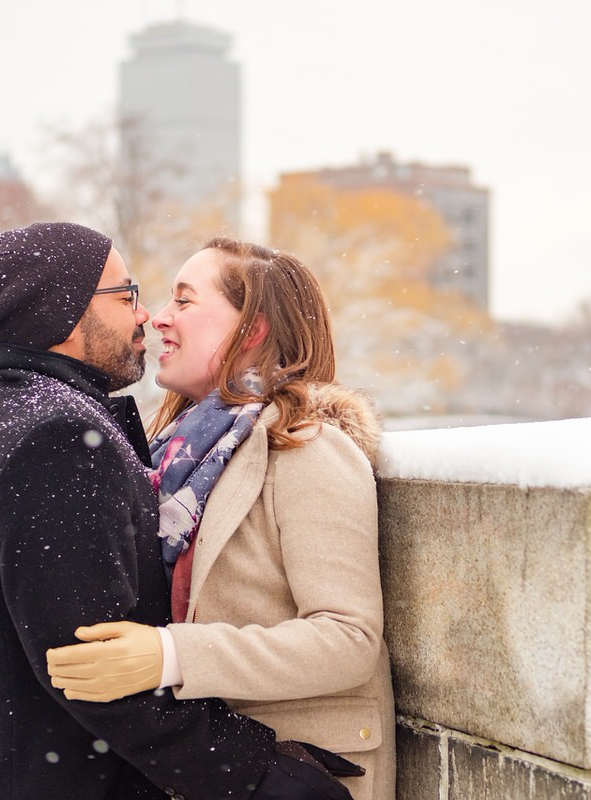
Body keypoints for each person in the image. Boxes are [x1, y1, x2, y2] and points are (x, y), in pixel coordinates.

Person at [0, 223, 352, 800]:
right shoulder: (61, 436)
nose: (146, 316)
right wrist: (257, 774)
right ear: (66, 314)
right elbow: (91, 661)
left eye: (176, 300)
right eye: (126, 295)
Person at [46, 238, 396, 800]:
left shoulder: (307, 450)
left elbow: (348, 638)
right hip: (211, 771)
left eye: (184, 301)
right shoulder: (177, 455)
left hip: (296, 775)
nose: (159, 318)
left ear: (250, 330)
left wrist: (171, 655)